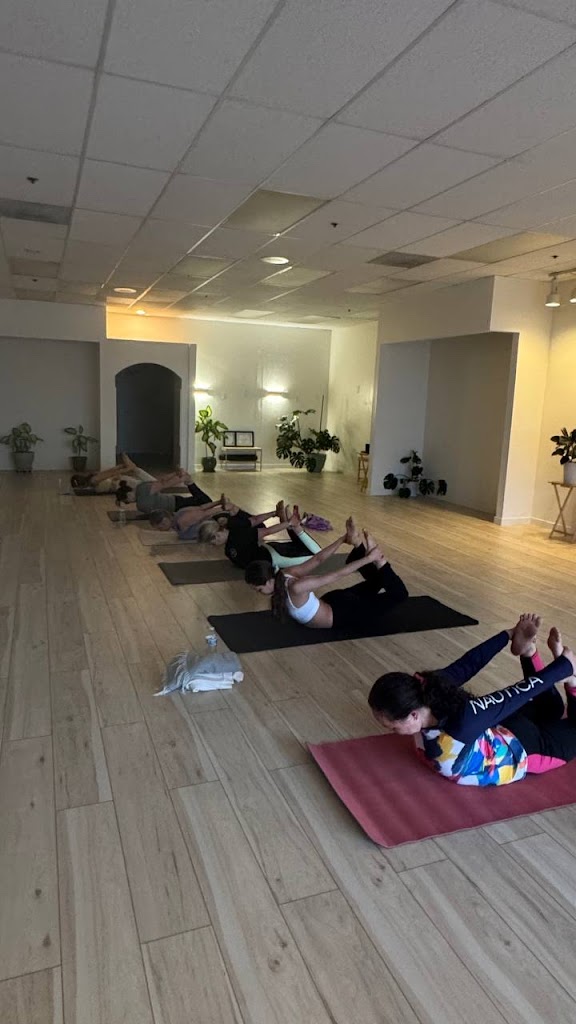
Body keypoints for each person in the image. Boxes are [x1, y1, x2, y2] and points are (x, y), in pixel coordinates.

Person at [367, 613, 576, 786]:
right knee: (552, 708)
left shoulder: (459, 722)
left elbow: (510, 694)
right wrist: (508, 634)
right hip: (506, 729)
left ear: (414, 715)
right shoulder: (426, 690)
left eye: (393, 727)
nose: (393, 732)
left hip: (525, 749)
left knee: (559, 715)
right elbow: (470, 666)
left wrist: (563, 666)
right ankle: (531, 654)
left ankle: (572, 681)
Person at [245, 516, 408, 629]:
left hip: (342, 613)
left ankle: (379, 561)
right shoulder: (286, 574)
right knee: (377, 581)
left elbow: (336, 574)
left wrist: (369, 558)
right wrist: (343, 539)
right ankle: (358, 545)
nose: (259, 593)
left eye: (259, 589)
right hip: (334, 602)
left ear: (268, 581)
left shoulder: (296, 587)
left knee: (400, 594)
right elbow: (318, 559)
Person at [198, 499, 323, 569]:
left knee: (316, 553)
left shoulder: (231, 547)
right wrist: (276, 515)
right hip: (271, 552)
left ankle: (292, 523)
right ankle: (291, 523)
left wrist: (287, 522)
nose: (214, 545)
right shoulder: (234, 528)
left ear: (216, 536)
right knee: (310, 550)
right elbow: (256, 521)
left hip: (274, 554)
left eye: (212, 543)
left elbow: (265, 529)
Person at [149, 502, 229, 541]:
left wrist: (224, 508)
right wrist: (219, 502)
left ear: (165, 521)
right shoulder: (179, 515)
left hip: (221, 524)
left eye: (160, 528)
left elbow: (205, 513)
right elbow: (201, 507)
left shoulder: (182, 520)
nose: (160, 530)